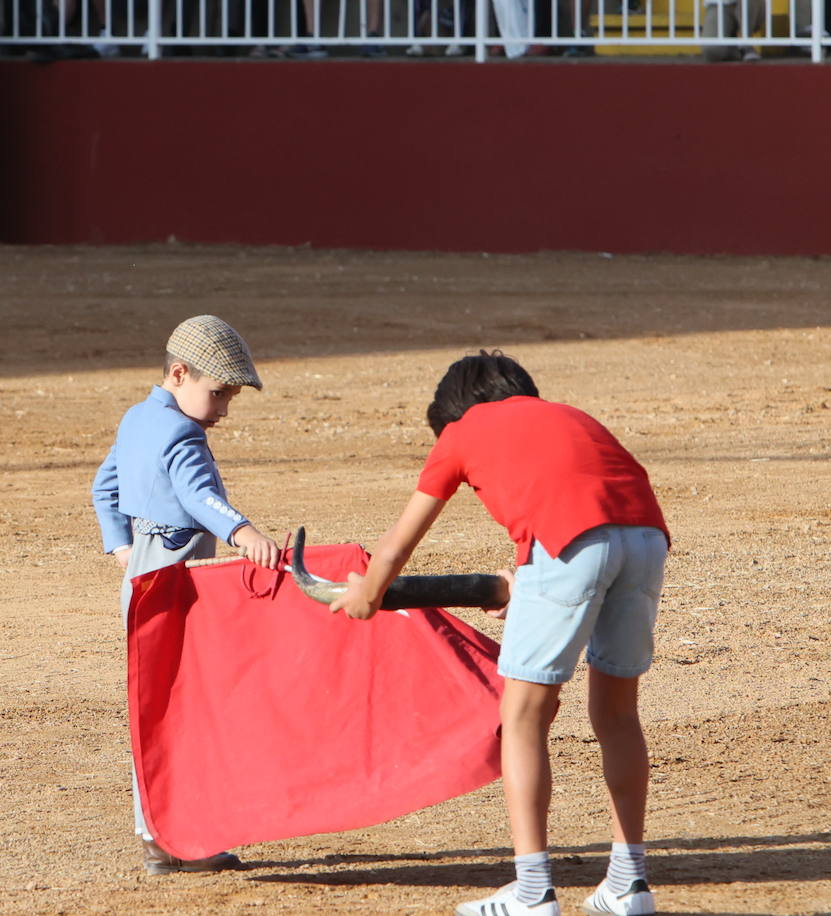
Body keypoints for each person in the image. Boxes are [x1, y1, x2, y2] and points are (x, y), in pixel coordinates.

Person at [329, 350, 669, 916]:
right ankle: (629, 884)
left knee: (523, 717)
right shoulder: (568, 415)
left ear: (454, 413)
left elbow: (398, 542)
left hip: (567, 544)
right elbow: (586, 506)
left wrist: (366, 593)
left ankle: (534, 893)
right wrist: (527, 581)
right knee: (616, 714)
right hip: (646, 538)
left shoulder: (463, 431)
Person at [91, 314, 281, 874]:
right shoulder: (181, 432)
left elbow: (105, 486)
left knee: (157, 702)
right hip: (175, 570)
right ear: (179, 374)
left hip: (145, 569)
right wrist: (245, 534)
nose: (223, 410)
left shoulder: (136, 418)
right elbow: (198, 496)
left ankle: (159, 834)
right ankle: (170, 835)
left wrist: (121, 546)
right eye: (219, 393)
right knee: (180, 704)